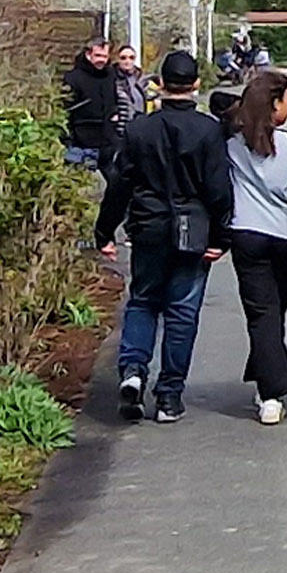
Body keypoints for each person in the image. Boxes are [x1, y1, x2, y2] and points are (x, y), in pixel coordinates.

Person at [93, 51, 233, 424]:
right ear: (197, 84)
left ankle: (134, 371)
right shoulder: (208, 130)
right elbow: (219, 188)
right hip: (194, 228)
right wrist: (222, 234)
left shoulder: (140, 128)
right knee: (182, 312)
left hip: (148, 225)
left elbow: (119, 183)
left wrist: (104, 229)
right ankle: (169, 395)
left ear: (160, 85)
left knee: (142, 302)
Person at [221, 68, 287, 426]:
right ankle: (271, 391)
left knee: (262, 315)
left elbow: (220, 109)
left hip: (246, 235)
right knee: (274, 313)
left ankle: (266, 387)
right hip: (286, 239)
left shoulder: (231, 143)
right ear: (275, 105)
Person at [58, 38, 119, 170]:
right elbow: (64, 110)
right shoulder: (73, 78)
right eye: (98, 55)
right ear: (88, 55)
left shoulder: (111, 76)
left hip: (108, 142)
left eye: (105, 56)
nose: (101, 60)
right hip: (81, 144)